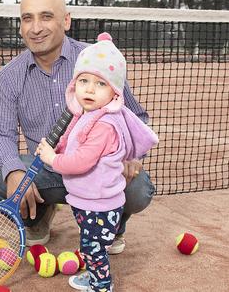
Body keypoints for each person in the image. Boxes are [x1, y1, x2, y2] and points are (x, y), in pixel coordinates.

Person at [0, 0, 155, 251]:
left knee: (138, 189)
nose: (36, 28)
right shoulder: (10, 75)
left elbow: (137, 117)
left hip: (99, 168)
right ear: (20, 26)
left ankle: (112, 226)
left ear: (66, 20)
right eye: (27, 18)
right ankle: (37, 216)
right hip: (44, 170)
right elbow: (0, 133)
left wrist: (132, 155)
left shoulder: (98, 60)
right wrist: (13, 170)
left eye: (46, 17)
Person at [35, 33, 158, 292]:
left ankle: (101, 285)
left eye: (100, 84)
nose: (89, 89)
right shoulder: (86, 114)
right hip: (87, 200)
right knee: (89, 245)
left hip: (100, 206)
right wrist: (56, 146)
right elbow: (72, 142)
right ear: (75, 84)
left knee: (94, 249)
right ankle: (95, 277)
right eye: (84, 81)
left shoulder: (104, 124)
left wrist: (52, 158)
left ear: (114, 92)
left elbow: (81, 161)